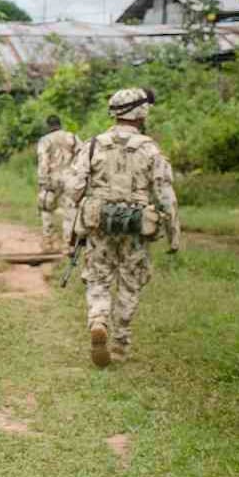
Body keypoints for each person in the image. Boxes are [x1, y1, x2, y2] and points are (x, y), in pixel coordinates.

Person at [65, 88, 180, 367]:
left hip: (99, 223)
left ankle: (98, 319)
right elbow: (165, 194)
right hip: (136, 226)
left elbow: (74, 188)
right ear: (140, 113)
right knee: (130, 282)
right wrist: (174, 234)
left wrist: (75, 223)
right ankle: (119, 345)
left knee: (98, 278)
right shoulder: (150, 149)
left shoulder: (92, 145)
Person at [37, 114, 81, 253]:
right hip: (70, 177)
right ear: (60, 124)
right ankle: (68, 244)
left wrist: (43, 180)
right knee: (69, 210)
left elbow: (43, 161)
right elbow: (82, 155)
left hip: (52, 177)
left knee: (47, 209)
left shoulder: (45, 140)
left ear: (48, 126)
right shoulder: (72, 137)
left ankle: (48, 242)